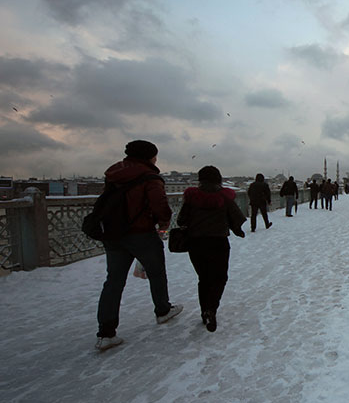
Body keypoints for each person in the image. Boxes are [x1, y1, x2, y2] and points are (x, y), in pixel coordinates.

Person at [95, 140, 182, 351]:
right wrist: (163, 227)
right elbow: (160, 206)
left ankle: (106, 333)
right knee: (156, 272)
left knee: (113, 281)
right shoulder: (150, 177)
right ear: (149, 157)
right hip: (141, 233)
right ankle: (162, 310)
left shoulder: (113, 174)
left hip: (113, 234)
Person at [176, 165, 246, 332]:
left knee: (204, 278)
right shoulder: (224, 197)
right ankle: (211, 309)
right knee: (220, 277)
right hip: (218, 242)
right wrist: (238, 230)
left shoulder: (192, 197)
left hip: (196, 243)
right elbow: (236, 219)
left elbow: (181, 221)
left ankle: (204, 310)